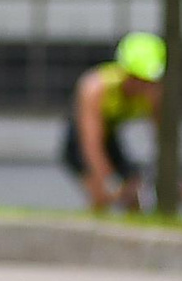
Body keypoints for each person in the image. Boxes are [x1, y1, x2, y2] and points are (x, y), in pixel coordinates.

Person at [62, 30, 175, 212]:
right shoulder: (95, 88)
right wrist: (109, 182)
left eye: (147, 80)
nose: (142, 86)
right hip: (80, 139)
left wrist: (169, 177)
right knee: (101, 194)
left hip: (111, 136)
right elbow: (91, 144)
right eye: (136, 78)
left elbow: (162, 137)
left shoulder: (153, 93)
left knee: (133, 193)